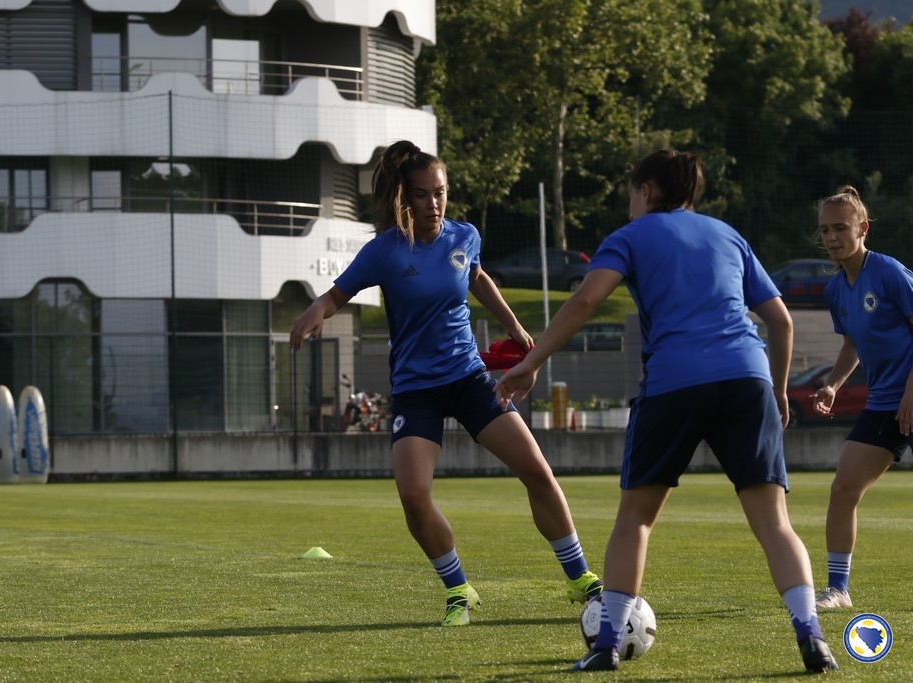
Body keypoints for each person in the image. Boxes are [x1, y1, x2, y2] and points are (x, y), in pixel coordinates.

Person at [494, 150, 837, 674]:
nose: (630, 204)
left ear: (646, 190)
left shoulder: (630, 237)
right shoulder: (727, 234)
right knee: (774, 523)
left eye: (631, 194)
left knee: (636, 518)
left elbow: (585, 302)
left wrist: (531, 362)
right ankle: (811, 635)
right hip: (747, 379)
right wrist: (777, 390)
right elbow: (781, 322)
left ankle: (607, 645)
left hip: (675, 382)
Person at [289, 140, 602, 627]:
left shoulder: (465, 235)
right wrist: (315, 309)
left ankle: (579, 578)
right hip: (416, 391)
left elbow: (476, 277)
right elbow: (335, 296)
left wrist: (515, 328)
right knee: (413, 496)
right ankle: (459, 590)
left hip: (470, 378)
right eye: (422, 194)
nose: (433, 203)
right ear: (404, 197)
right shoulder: (385, 251)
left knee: (538, 472)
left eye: (440, 192)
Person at [810, 186, 913, 610]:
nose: (832, 237)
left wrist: (911, 393)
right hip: (885, 403)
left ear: (863, 228)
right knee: (843, 488)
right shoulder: (836, 289)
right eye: (825, 230)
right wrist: (833, 384)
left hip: (908, 396)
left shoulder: (889, 272)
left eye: (840, 228)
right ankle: (838, 589)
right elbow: (852, 344)